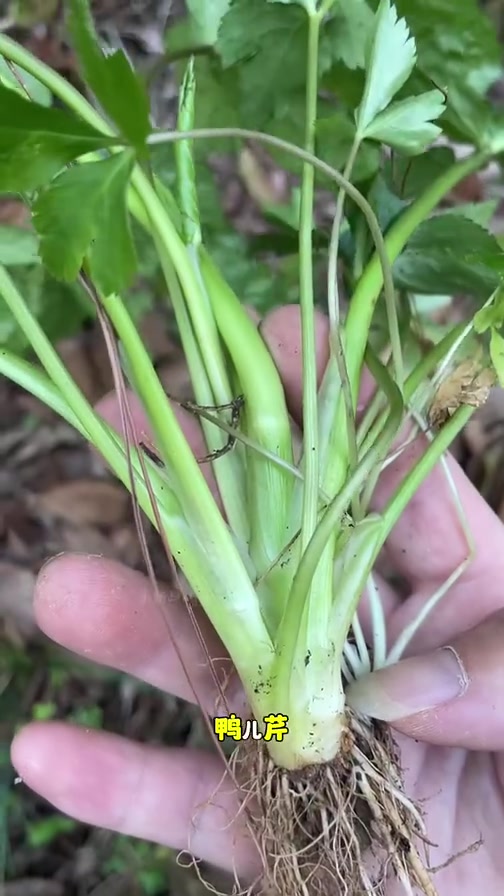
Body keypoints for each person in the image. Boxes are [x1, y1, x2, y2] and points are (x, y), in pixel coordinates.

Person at [10, 306, 504, 893]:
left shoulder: (277, 724)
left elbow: (250, 726)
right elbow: (256, 725)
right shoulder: (280, 723)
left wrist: (267, 729)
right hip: (280, 722)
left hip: (279, 723)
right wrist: (270, 728)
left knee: (250, 725)